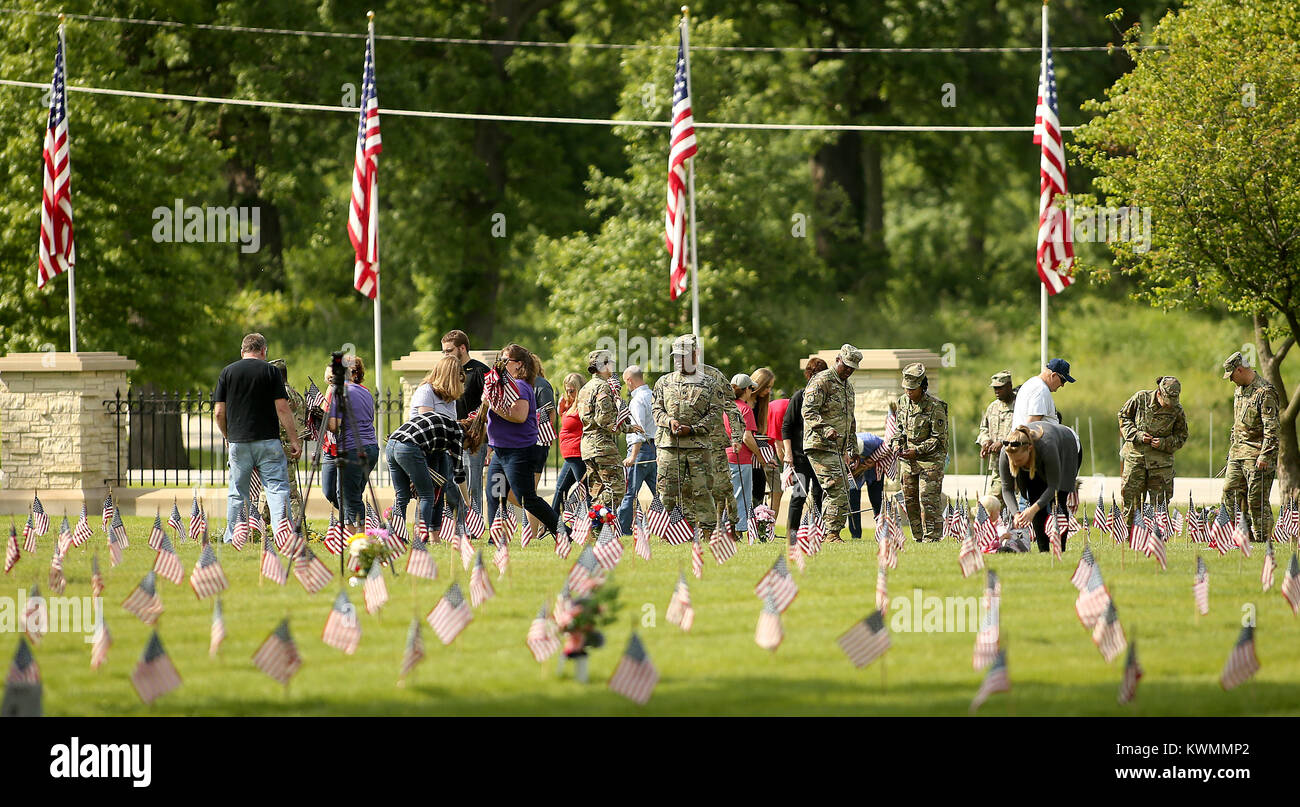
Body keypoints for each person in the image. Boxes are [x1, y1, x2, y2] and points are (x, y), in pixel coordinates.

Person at [213, 333, 301, 544]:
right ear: (263, 351)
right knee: (277, 488)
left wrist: (228, 436)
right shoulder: (271, 371)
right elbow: (282, 408)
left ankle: (233, 537)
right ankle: (283, 535)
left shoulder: (227, 372)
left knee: (237, 492)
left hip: (239, 442)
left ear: (242, 351)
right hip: (268, 441)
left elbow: (218, 412)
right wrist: (294, 440)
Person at [484, 344, 560, 539]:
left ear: (518, 364)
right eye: (500, 359)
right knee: (494, 492)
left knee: (527, 499)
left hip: (517, 451)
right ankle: (496, 539)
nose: (500, 364)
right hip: (500, 450)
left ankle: (562, 531)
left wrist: (493, 405)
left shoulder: (522, 386)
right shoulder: (503, 386)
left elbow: (519, 416)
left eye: (505, 360)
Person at [652, 335, 722, 536]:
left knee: (702, 492)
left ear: (695, 354)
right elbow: (656, 409)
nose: (678, 361)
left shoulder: (709, 383)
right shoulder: (663, 382)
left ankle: (708, 534)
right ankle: (667, 534)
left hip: (698, 448)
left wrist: (694, 429)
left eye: (683, 356)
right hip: (669, 447)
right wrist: (669, 422)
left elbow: (716, 415)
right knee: (667, 492)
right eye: (676, 357)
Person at [802, 344, 862, 542]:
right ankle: (831, 533)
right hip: (820, 444)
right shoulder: (822, 381)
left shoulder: (848, 386)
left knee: (843, 488)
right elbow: (808, 411)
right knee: (836, 487)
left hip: (838, 447)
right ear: (838, 360)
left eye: (852, 368)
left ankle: (829, 532)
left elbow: (850, 420)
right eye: (846, 366)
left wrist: (852, 447)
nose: (849, 370)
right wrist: (825, 428)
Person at [577, 349, 644, 522]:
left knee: (598, 489)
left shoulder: (585, 388)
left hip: (587, 446)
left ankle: (596, 528)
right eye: (610, 362)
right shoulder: (603, 387)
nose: (613, 365)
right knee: (617, 489)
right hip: (602, 446)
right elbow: (604, 419)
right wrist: (628, 428)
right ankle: (593, 518)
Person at [998, 422, 1081, 553]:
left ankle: (1060, 549)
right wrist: (1016, 514)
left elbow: (1054, 486)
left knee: (1059, 500)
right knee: (1034, 497)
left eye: (1019, 461)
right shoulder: (1006, 451)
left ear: (1029, 449)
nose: (1016, 464)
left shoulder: (1047, 447)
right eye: (1012, 461)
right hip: (1038, 456)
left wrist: (1032, 510)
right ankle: (1044, 551)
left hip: (1066, 444)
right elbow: (1007, 489)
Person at [1222, 351, 1279, 541]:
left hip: (1257, 455)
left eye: (1232, 375)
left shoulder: (1265, 392)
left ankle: (1263, 539)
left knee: (1256, 500)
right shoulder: (1239, 390)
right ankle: (1239, 536)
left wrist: (1266, 455)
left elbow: (1271, 428)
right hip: (1238, 453)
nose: (1231, 380)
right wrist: (1232, 449)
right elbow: (1237, 423)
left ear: (1240, 370)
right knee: (1229, 491)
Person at [1117, 376, 1188, 525]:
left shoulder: (1177, 410)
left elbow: (1181, 436)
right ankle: (1129, 538)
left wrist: (1163, 443)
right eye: (1167, 400)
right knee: (1131, 504)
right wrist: (1138, 435)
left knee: (1160, 507)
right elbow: (1123, 417)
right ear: (1159, 393)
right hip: (1136, 459)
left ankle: (1158, 540)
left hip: (1161, 465)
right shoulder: (1140, 398)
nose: (1169, 405)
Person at [891, 362, 948, 543]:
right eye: (906, 388)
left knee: (928, 499)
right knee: (910, 500)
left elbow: (937, 439)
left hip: (930, 460)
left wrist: (917, 451)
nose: (908, 392)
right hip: (909, 460)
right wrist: (896, 443)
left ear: (923, 387)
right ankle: (918, 537)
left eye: (913, 389)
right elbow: (899, 429)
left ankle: (932, 537)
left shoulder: (935, 407)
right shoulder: (902, 402)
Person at [409, 355, 467, 527]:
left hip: (441, 450)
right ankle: (422, 530)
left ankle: (441, 531)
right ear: (449, 376)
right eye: (458, 378)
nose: (460, 383)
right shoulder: (426, 392)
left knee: (442, 492)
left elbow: (451, 423)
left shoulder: (450, 398)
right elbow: (427, 424)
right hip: (424, 450)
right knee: (427, 493)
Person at [386, 410, 464, 536]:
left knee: (402, 496)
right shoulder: (458, 433)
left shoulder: (446, 424)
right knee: (427, 495)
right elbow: (459, 473)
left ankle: (394, 535)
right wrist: (467, 501)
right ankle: (420, 537)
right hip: (408, 447)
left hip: (391, 444)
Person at [442, 330, 492, 519]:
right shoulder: (448, 372)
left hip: (474, 437)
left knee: (473, 483)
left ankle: (475, 522)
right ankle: (457, 522)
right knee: (453, 480)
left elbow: (489, 403)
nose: (446, 355)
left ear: (462, 348)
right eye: (444, 352)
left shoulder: (480, 370)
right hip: (451, 435)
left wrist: (483, 432)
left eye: (449, 350)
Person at [327, 355, 379, 531]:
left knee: (350, 497)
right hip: (371, 448)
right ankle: (350, 533)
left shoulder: (340, 392)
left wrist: (322, 417)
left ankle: (358, 538)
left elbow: (335, 426)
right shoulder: (366, 392)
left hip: (352, 447)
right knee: (350, 494)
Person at [256, 357, 307, 528]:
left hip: (275, 446)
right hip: (292, 448)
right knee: (289, 488)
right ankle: (295, 525)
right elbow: (303, 423)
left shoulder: (275, 395)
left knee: (268, 487)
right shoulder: (296, 395)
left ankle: (261, 526)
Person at [782, 357, 827, 538]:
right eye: (814, 375)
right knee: (799, 496)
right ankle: (791, 533)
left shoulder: (827, 398)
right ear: (808, 375)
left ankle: (816, 532)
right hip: (800, 457)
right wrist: (788, 453)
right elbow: (786, 426)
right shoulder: (799, 396)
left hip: (820, 457)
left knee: (819, 495)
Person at [724, 373, 773, 540]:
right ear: (746, 390)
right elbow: (747, 437)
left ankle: (725, 530)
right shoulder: (744, 409)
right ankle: (736, 531)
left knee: (725, 496)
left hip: (723, 457)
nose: (752, 391)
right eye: (751, 388)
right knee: (741, 496)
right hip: (740, 459)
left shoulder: (725, 406)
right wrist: (760, 457)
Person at [618, 365, 657, 536]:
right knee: (660, 492)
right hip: (656, 449)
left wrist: (633, 456)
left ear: (629, 381)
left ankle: (623, 529)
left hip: (640, 451)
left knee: (629, 493)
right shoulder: (654, 396)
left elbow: (638, 430)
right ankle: (671, 526)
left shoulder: (637, 400)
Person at [976, 371, 1017, 501]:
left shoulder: (1020, 406)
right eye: (995, 388)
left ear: (1009, 386)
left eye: (1000, 387)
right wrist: (985, 441)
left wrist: (1003, 443)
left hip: (1018, 462)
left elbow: (1024, 431)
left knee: (1019, 500)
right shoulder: (992, 407)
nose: (997, 391)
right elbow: (983, 428)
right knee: (996, 499)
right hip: (997, 464)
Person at [551, 373, 587, 515]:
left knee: (584, 490)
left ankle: (592, 523)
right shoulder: (568, 404)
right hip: (570, 454)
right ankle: (551, 522)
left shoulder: (583, 405)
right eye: (567, 390)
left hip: (578, 452)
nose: (569, 393)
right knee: (561, 488)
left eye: (572, 390)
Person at [1012, 358, 1074, 428]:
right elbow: (1031, 427)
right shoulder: (1041, 390)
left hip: (1020, 436)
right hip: (1032, 438)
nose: (1062, 385)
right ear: (1053, 375)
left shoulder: (1031, 383)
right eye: (1063, 381)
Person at [762, 374, 790, 523]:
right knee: (772, 490)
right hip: (761, 452)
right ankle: (762, 524)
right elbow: (779, 444)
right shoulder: (781, 409)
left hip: (770, 453)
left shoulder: (796, 412)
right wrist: (787, 466)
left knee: (776, 490)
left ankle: (769, 525)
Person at [847, 433, 885, 540]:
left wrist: (873, 460)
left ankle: (881, 532)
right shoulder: (847, 446)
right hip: (854, 471)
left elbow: (887, 449)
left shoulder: (872, 441)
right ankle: (855, 535)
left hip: (875, 469)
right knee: (852, 501)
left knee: (877, 500)